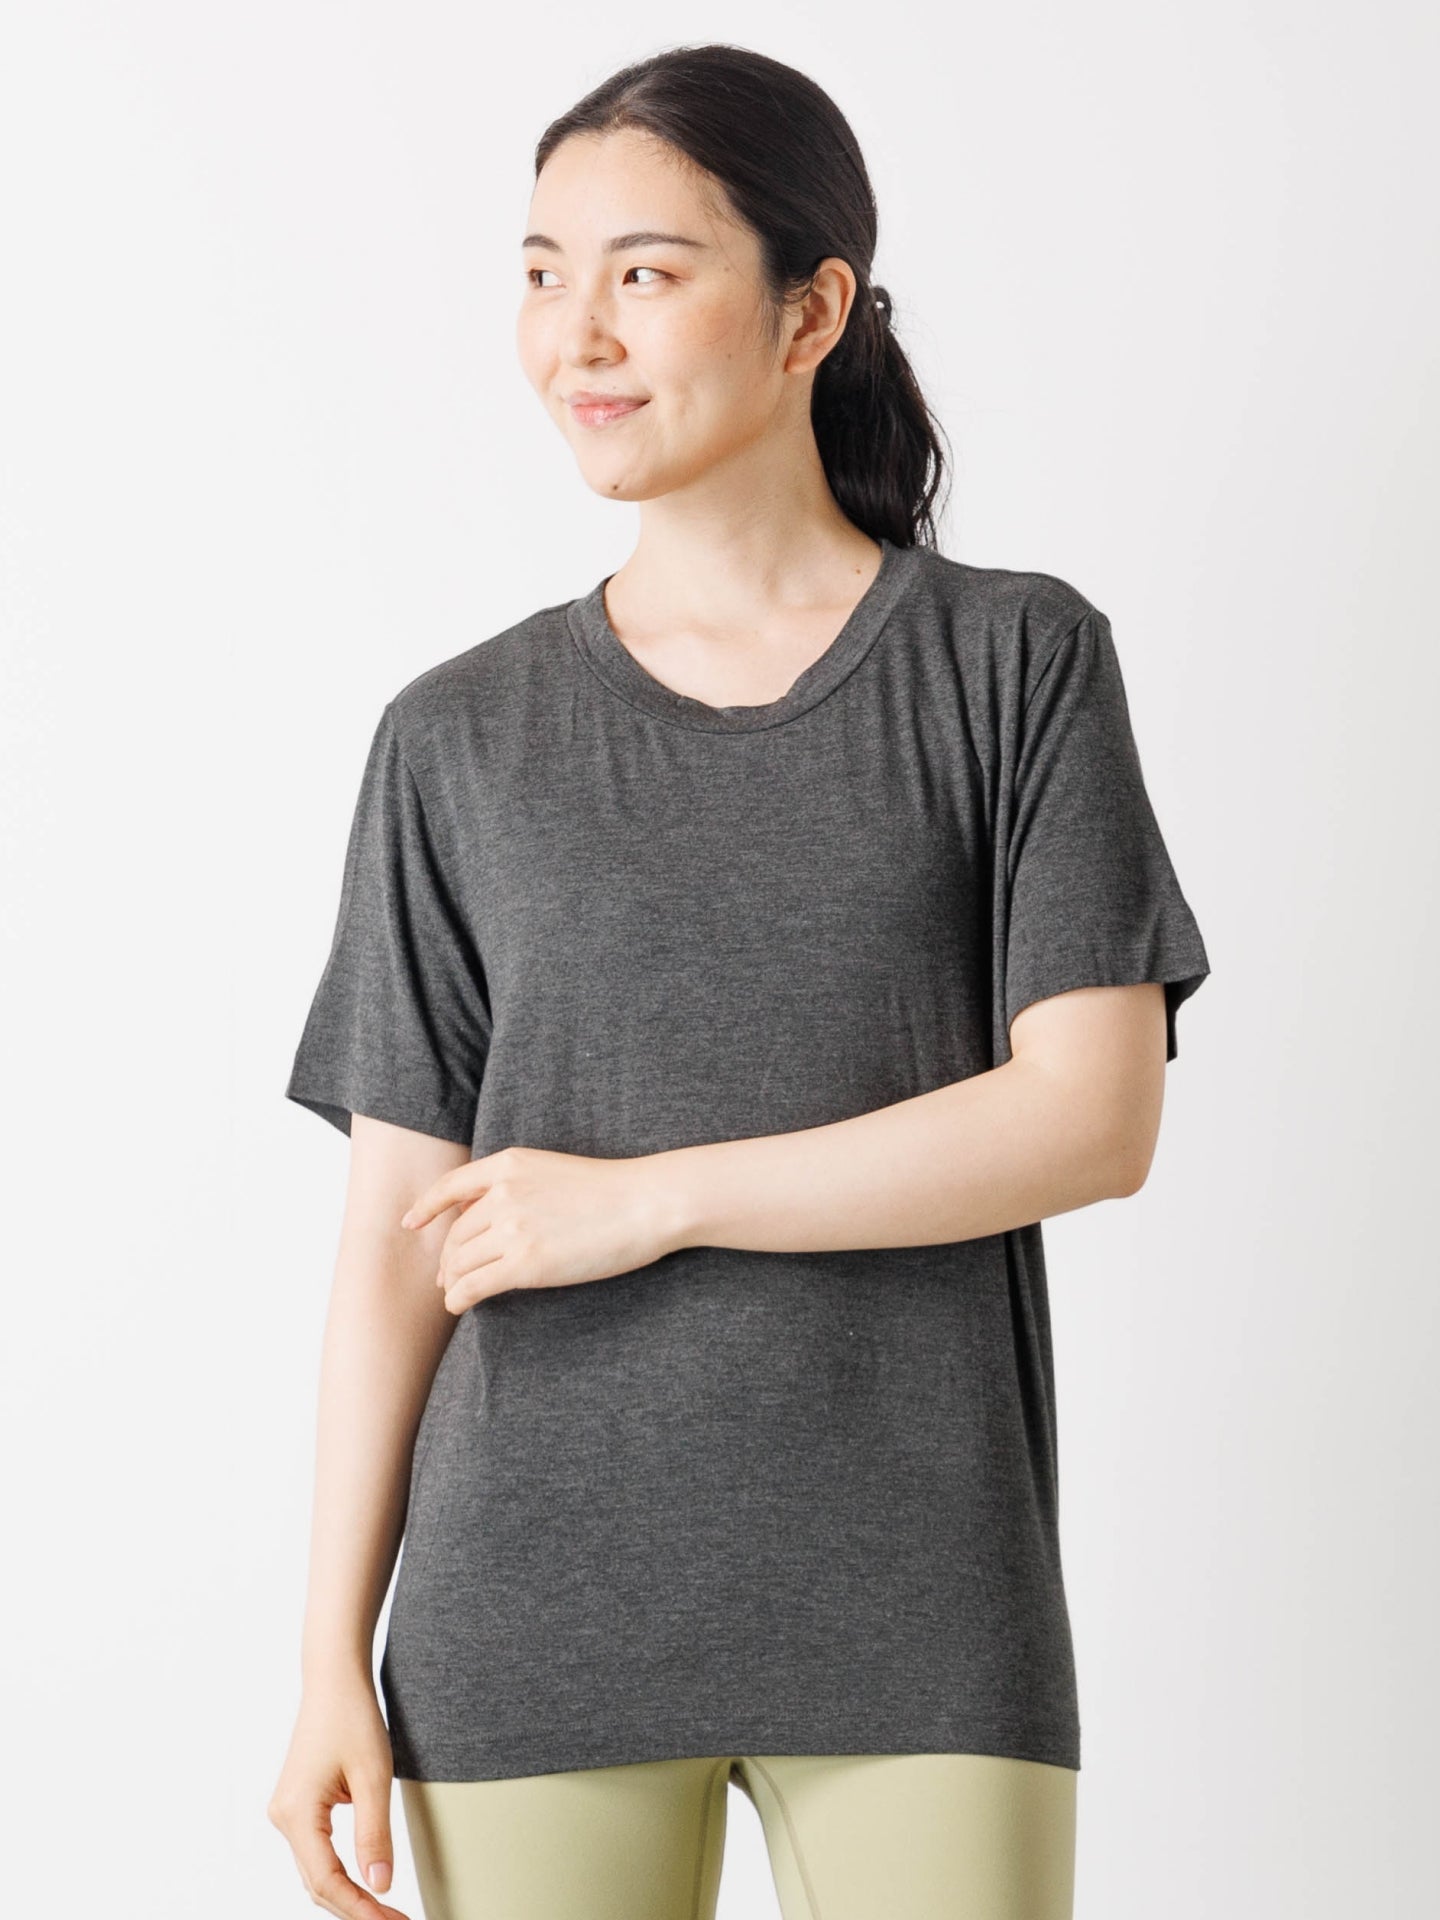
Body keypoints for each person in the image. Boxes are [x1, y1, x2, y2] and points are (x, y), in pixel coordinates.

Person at [266, 41, 1211, 1920]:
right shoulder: (456, 736)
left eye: (645, 270)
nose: (578, 334)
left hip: (924, 1596)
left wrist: (651, 1200)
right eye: (544, 271)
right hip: (527, 1600)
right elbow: (396, 1231)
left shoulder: (1015, 663)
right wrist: (324, 1666)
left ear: (811, 312)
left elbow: (1091, 1120)